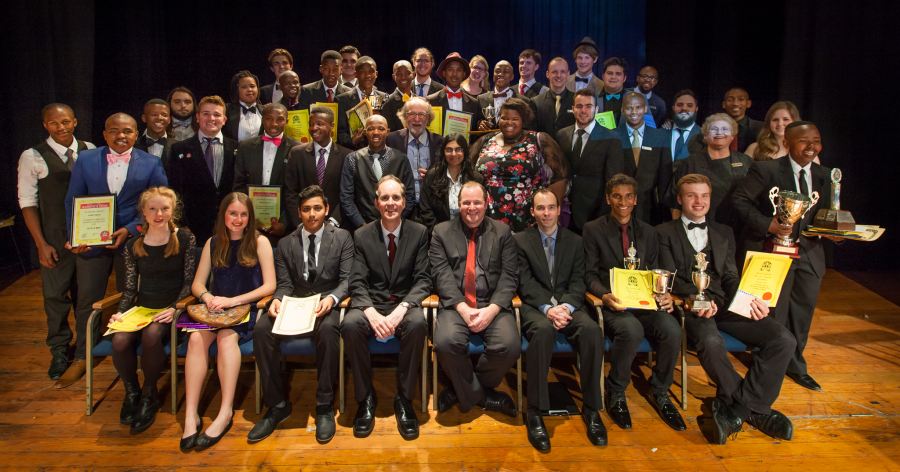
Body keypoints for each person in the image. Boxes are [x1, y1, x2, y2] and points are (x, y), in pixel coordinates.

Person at [657, 174, 796, 444]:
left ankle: (741, 407)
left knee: (783, 339)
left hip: (724, 304)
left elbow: (731, 277)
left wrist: (751, 298)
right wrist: (695, 300)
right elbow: (669, 277)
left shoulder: (724, 232)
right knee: (710, 341)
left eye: (704, 196)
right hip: (690, 307)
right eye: (691, 196)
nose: (699, 201)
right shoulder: (663, 232)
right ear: (679, 198)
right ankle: (755, 410)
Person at [61, 113, 168, 388]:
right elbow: (73, 199)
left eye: (128, 131)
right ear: (105, 134)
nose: (121, 136)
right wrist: (76, 235)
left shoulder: (151, 162)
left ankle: (129, 350)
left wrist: (131, 230)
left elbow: (160, 203)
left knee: (130, 299)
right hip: (91, 241)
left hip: (130, 242)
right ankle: (83, 356)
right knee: (87, 299)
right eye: (115, 131)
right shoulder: (86, 159)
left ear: (136, 134)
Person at [731, 121, 834, 392]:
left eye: (817, 140)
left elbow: (826, 215)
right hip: (773, 252)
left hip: (810, 254)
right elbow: (739, 201)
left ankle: (796, 365)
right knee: (775, 313)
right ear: (787, 143)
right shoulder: (766, 169)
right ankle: (767, 361)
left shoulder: (824, 175)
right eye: (804, 141)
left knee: (802, 314)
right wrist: (769, 225)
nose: (812, 146)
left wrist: (835, 231)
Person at [248, 185, 354, 445]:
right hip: (295, 304)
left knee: (329, 332)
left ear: (326, 209)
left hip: (326, 304)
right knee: (262, 329)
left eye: (317, 208)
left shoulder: (342, 238)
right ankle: (277, 404)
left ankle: (324, 405)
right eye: (306, 209)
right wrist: (276, 301)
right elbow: (283, 283)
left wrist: (331, 299)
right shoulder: (285, 243)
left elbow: (348, 279)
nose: (312, 214)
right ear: (299, 213)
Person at [583, 174, 686, 432]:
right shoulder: (593, 229)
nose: (623, 202)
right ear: (608, 199)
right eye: (617, 196)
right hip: (612, 302)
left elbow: (655, 270)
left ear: (636, 199)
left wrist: (663, 294)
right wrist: (604, 295)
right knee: (631, 330)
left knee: (672, 329)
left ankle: (660, 390)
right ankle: (616, 390)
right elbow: (589, 274)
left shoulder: (650, 233)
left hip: (643, 301)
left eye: (628, 196)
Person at [181, 192, 275, 451]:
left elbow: (270, 285)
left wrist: (233, 301)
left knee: (226, 339)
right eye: (233, 213)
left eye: (243, 214)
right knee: (196, 339)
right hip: (215, 309)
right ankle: (191, 414)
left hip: (244, 310)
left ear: (250, 218)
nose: (238, 219)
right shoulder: (213, 242)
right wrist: (207, 296)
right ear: (224, 214)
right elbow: (198, 283)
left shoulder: (260, 242)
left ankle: (225, 412)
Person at [514, 188, 606, 452]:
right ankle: (535, 412)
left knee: (590, 330)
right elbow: (525, 282)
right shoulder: (520, 241)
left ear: (559, 210)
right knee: (542, 332)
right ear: (532, 211)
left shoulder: (576, 241)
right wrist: (547, 308)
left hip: (569, 304)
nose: (546, 213)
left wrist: (564, 306)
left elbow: (579, 279)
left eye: (551, 207)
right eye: (540, 208)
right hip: (535, 307)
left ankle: (591, 408)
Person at [343, 176, 431, 439]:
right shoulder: (361, 235)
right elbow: (356, 281)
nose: (390, 203)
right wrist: (369, 312)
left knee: (418, 324)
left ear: (404, 203)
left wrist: (401, 309)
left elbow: (424, 280)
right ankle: (365, 398)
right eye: (385, 198)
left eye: (396, 198)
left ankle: (404, 399)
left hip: (404, 304)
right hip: (372, 302)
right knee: (349, 324)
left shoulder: (419, 233)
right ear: (376, 203)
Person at [18, 103, 95, 381]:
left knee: (86, 296)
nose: (61, 127)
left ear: (75, 121)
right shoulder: (33, 156)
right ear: (45, 125)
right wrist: (41, 243)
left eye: (65, 122)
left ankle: (85, 349)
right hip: (54, 241)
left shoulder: (89, 148)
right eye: (54, 123)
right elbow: (28, 203)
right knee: (55, 297)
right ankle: (60, 349)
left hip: (87, 239)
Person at [110, 186, 196, 434]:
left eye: (164, 209)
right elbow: (129, 289)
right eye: (153, 209)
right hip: (142, 307)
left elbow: (188, 283)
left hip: (173, 308)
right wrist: (121, 312)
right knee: (120, 340)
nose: (159, 214)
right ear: (144, 213)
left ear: (173, 211)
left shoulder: (186, 239)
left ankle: (149, 393)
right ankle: (132, 391)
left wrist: (174, 308)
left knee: (151, 335)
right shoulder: (133, 245)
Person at [430, 181, 519, 417]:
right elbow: (441, 274)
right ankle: (483, 396)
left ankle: (461, 390)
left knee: (509, 345)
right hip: (455, 304)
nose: (472, 208)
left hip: (492, 304)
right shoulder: (441, 232)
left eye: (477, 202)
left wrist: (491, 310)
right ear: (458, 205)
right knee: (445, 342)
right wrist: (461, 307)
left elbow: (510, 276)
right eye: (466, 203)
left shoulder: (502, 232)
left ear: (486, 203)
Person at [472, 98, 567, 232]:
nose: (509, 122)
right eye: (504, 118)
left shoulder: (538, 140)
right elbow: (468, 171)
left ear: (523, 121)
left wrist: (548, 212)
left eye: (515, 119)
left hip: (528, 219)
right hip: (488, 219)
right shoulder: (486, 140)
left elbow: (561, 177)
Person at [169, 95, 238, 244]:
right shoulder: (179, 149)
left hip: (231, 224)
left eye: (217, 114)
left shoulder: (238, 148)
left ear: (224, 120)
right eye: (206, 114)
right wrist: (181, 224)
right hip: (193, 227)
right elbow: (175, 190)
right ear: (198, 117)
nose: (211, 118)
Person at [556, 88, 624, 232]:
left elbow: (612, 181)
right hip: (564, 212)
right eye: (579, 106)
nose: (583, 110)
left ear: (596, 109)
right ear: (573, 109)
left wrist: (605, 214)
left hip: (595, 214)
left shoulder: (611, 138)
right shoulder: (562, 135)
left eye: (588, 106)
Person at [669, 113, 753, 226]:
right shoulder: (690, 163)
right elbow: (675, 202)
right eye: (714, 129)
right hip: (699, 226)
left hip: (738, 227)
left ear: (733, 135)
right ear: (705, 135)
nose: (719, 133)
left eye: (725, 129)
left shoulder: (745, 162)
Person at [339, 114, 416, 230]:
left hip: (396, 228)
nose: (375, 132)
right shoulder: (352, 159)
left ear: (388, 131)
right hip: (362, 228)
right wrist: (362, 225)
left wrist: (395, 221)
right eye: (370, 129)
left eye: (381, 128)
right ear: (365, 132)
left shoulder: (401, 159)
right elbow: (346, 198)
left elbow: (410, 196)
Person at [233, 103, 297, 239]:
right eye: (269, 118)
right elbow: (238, 186)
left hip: (284, 229)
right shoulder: (245, 147)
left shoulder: (298, 150)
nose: (274, 124)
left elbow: (296, 191)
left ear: (287, 121)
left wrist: (285, 223)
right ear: (262, 119)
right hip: (249, 225)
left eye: (279, 119)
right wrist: (248, 217)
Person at [284, 106, 350, 228]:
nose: (314, 128)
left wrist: (333, 221)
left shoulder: (347, 155)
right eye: (311, 124)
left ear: (332, 125)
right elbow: (290, 192)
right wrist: (300, 222)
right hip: (303, 224)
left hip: (335, 226)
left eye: (319, 124)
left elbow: (347, 194)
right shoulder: (297, 153)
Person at [613, 92, 672, 224]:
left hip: (651, 208)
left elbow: (665, 176)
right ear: (622, 110)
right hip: (619, 206)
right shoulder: (612, 136)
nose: (634, 112)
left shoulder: (661, 137)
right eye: (629, 108)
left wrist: (664, 206)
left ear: (645, 108)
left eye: (638, 107)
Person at [416, 134, 483, 231]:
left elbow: (481, 209)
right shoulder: (432, 175)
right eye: (449, 150)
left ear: (465, 151)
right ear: (443, 152)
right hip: (438, 233)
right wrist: (439, 232)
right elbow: (425, 209)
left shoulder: (476, 178)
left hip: (470, 232)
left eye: (458, 149)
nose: (454, 154)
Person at [385, 97, 443, 200]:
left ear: (428, 118)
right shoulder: (392, 140)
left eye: (422, 114)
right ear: (404, 117)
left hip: (430, 201)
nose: (417, 119)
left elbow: (444, 175)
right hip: (402, 201)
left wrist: (431, 177)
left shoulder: (440, 142)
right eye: (412, 114)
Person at [336, 56, 388, 149]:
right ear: (356, 74)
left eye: (371, 71)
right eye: (362, 72)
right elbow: (340, 132)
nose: (367, 75)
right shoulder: (342, 99)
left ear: (376, 74)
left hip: (379, 152)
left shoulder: (384, 98)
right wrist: (352, 141)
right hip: (353, 152)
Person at [427, 52, 483, 131]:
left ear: (464, 74)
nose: (454, 74)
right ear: (444, 73)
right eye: (450, 69)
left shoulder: (474, 104)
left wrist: (481, 125)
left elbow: (476, 131)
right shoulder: (430, 101)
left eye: (459, 70)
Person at [476, 60, 535, 130]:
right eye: (497, 71)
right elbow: (476, 122)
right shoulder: (481, 99)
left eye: (506, 72)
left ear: (512, 77)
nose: (501, 74)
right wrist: (480, 124)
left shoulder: (525, 101)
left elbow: (528, 129)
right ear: (493, 75)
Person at [534, 57, 576, 136]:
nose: (558, 75)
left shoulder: (576, 100)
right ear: (547, 74)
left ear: (568, 74)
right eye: (554, 72)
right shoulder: (536, 102)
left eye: (563, 72)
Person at [224, 70, 263, 142]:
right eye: (244, 87)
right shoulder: (226, 110)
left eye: (252, 86)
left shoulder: (266, 111)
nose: (249, 90)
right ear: (236, 90)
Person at [664, 89, 702, 162]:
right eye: (679, 105)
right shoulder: (660, 133)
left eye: (689, 105)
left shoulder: (703, 135)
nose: (684, 108)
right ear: (673, 108)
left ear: (696, 109)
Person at [721, 87, 763, 152]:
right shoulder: (715, 128)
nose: (735, 103)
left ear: (748, 103)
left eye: (741, 99)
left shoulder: (761, 128)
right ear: (723, 104)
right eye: (730, 100)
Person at [381, 60, 415, 134]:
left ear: (413, 75)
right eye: (399, 74)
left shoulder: (420, 100)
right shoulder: (387, 103)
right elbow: (388, 133)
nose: (403, 77)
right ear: (394, 77)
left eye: (407, 73)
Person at [135, 99, 171, 164]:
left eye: (164, 115)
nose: (160, 118)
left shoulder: (177, 146)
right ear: (144, 118)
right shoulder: (133, 145)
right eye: (154, 114)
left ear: (169, 120)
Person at [597, 57, 628, 123]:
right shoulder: (593, 97)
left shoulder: (638, 98)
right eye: (610, 73)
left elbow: (650, 127)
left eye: (618, 74)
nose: (613, 77)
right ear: (603, 76)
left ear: (624, 78)